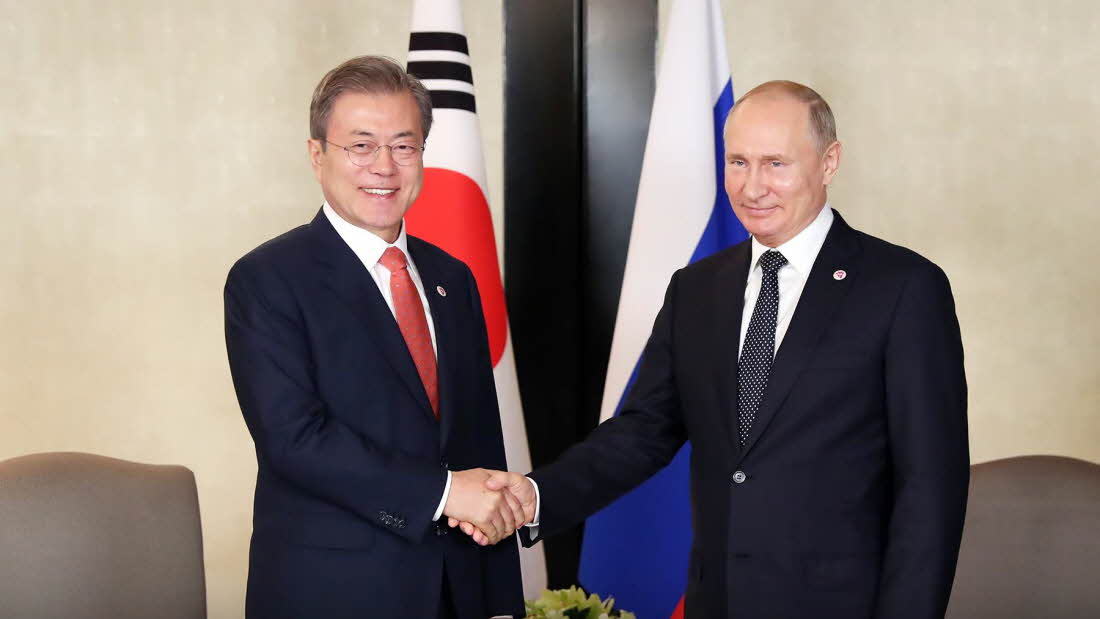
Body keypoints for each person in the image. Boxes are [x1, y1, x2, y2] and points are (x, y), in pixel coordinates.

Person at [467, 81, 970, 618]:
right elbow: (643, 432)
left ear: (829, 162)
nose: (752, 187)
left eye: (775, 163)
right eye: (738, 162)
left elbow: (931, 486)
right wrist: (535, 495)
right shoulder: (697, 290)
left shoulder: (903, 288)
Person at [224, 55, 525, 619]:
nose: (384, 166)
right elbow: (293, 439)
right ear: (318, 155)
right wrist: (441, 494)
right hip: (333, 591)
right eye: (361, 145)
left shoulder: (452, 278)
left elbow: (480, 444)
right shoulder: (267, 279)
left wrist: (500, 598)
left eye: (404, 146)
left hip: (455, 588)